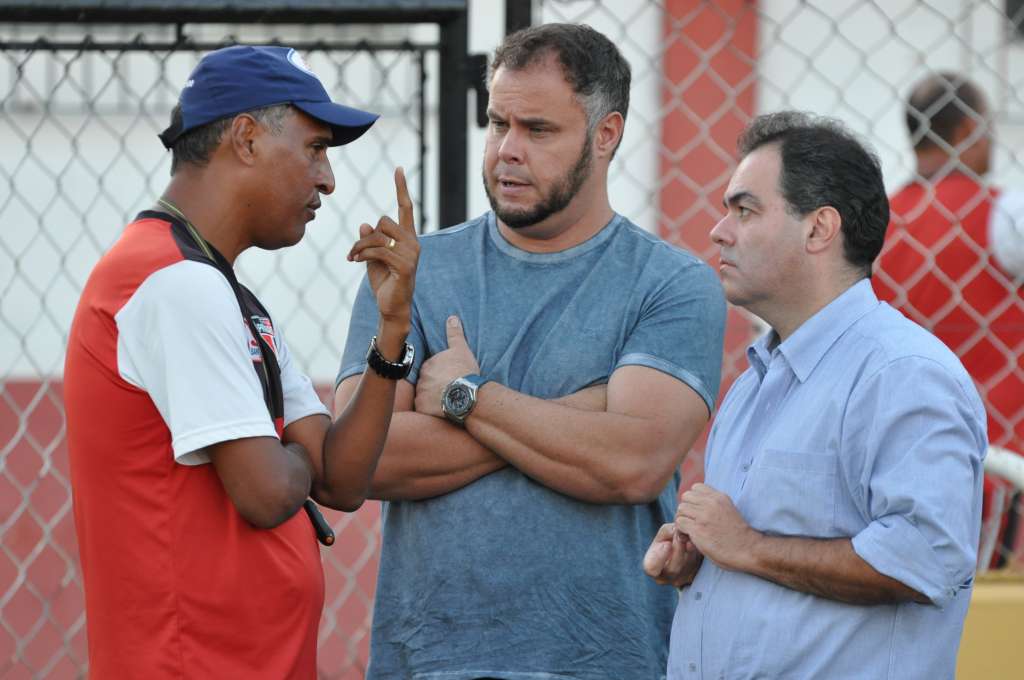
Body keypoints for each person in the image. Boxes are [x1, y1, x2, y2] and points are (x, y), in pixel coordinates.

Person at [334, 23, 725, 679]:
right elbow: (359, 461)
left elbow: (630, 466)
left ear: (606, 136)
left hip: (605, 660)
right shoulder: (415, 275)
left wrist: (463, 397)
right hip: (432, 659)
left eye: (538, 130)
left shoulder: (671, 285)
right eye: (497, 123)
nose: (506, 151)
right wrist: (576, 416)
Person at [63, 45, 420, 679]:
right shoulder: (172, 282)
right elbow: (265, 491)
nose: (329, 179)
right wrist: (293, 458)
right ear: (247, 139)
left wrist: (392, 332)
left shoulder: (220, 288)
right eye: (315, 148)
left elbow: (338, 479)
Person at [644, 111, 986, 679]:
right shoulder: (755, 382)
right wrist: (701, 563)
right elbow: (757, 551)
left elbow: (924, 558)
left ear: (819, 229)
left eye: (744, 209)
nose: (718, 230)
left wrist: (745, 546)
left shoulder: (902, 373)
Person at [873, 72, 1024, 565]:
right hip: (1000, 462)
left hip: (899, 455)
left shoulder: (873, 224)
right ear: (965, 131)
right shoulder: (1004, 214)